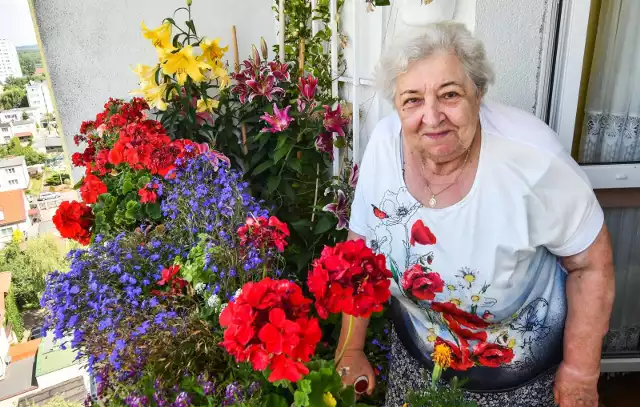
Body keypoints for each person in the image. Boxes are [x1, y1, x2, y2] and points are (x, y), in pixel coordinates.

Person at [337, 21, 615, 407]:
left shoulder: (533, 163)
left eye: (449, 95)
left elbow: (590, 265)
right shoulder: (384, 148)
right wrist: (350, 349)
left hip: (522, 384)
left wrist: (581, 373)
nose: (432, 117)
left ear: (478, 93)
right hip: (416, 365)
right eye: (412, 100)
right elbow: (360, 256)